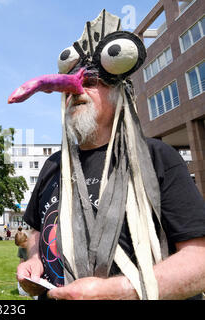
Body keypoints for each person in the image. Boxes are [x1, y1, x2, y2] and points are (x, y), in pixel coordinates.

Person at [11, 10, 205, 300]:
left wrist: (116, 291)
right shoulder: (53, 165)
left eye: (90, 82)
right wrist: (35, 258)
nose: (75, 91)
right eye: (68, 87)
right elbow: (37, 232)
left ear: (118, 95)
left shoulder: (156, 158)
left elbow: (199, 263)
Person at [15, 231, 29, 296]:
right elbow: (21, 261)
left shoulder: (34, 246)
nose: (22, 247)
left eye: (22, 245)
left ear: (27, 239)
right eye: (20, 246)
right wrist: (19, 272)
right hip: (26, 268)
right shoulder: (21, 248)